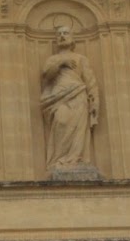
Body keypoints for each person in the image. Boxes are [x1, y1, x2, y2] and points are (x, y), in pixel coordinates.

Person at [40, 23, 99, 171]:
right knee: (61, 121)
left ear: (73, 39)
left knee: (78, 129)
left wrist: (95, 101)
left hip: (78, 95)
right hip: (58, 97)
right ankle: (59, 160)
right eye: (59, 34)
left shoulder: (80, 58)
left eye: (65, 33)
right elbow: (47, 75)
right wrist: (62, 62)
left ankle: (75, 159)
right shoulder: (53, 59)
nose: (62, 36)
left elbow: (90, 80)